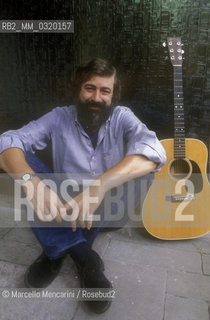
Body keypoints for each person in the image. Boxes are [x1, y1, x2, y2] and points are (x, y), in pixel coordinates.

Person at [0, 58, 166, 314]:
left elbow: (154, 150)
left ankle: (55, 251)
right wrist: (31, 183)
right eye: (90, 88)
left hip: (109, 206)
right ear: (78, 88)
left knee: (144, 169)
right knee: (22, 162)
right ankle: (84, 257)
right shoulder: (59, 117)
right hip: (66, 202)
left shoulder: (123, 117)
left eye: (105, 91)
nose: (96, 97)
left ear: (113, 95)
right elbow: (8, 140)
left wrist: (99, 186)